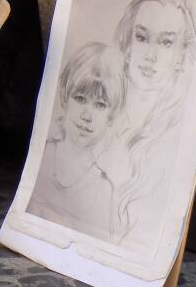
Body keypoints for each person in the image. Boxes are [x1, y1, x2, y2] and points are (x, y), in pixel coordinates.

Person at [99, 0, 196, 247]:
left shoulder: (179, 130)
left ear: (180, 54)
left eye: (166, 42)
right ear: (128, 42)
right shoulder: (100, 114)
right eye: (142, 37)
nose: (150, 56)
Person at [27, 42, 126, 242]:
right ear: (65, 98)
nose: (87, 116)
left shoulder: (102, 188)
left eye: (100, 105)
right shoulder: (42, 155)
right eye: (80, 99)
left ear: (112, 115)